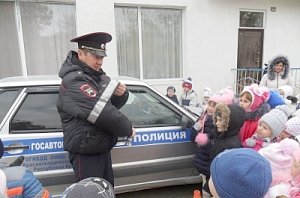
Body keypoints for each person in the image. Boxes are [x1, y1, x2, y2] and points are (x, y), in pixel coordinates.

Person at [56, 32, 135, 186]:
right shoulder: (74, 80)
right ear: (81, 54)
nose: (100, 62)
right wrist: (127, 129)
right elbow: (100, 112)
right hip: (85, 153)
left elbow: (109, 106)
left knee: (105, 190)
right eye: (95, 56)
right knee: (90, 192)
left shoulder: (96, 77)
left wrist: (122, 94)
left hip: (99, 147)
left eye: (102, 57)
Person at [190, 87, 234, 197]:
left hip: (211, 159)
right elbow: (192, 138)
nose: (210, 108)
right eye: (209, 104)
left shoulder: (218, 122)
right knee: (206, 184)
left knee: (210, 187)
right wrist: (196, 128)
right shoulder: (202, 118)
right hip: (203, 158)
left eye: (214, 105)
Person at [204, 103, 245, 196]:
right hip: (213, 179)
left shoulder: (233, 145)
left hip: (219, 185)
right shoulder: (220, 136)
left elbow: (228, 173)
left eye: (220, 120)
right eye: (216, 120)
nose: (217, 123)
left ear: (230, 123)